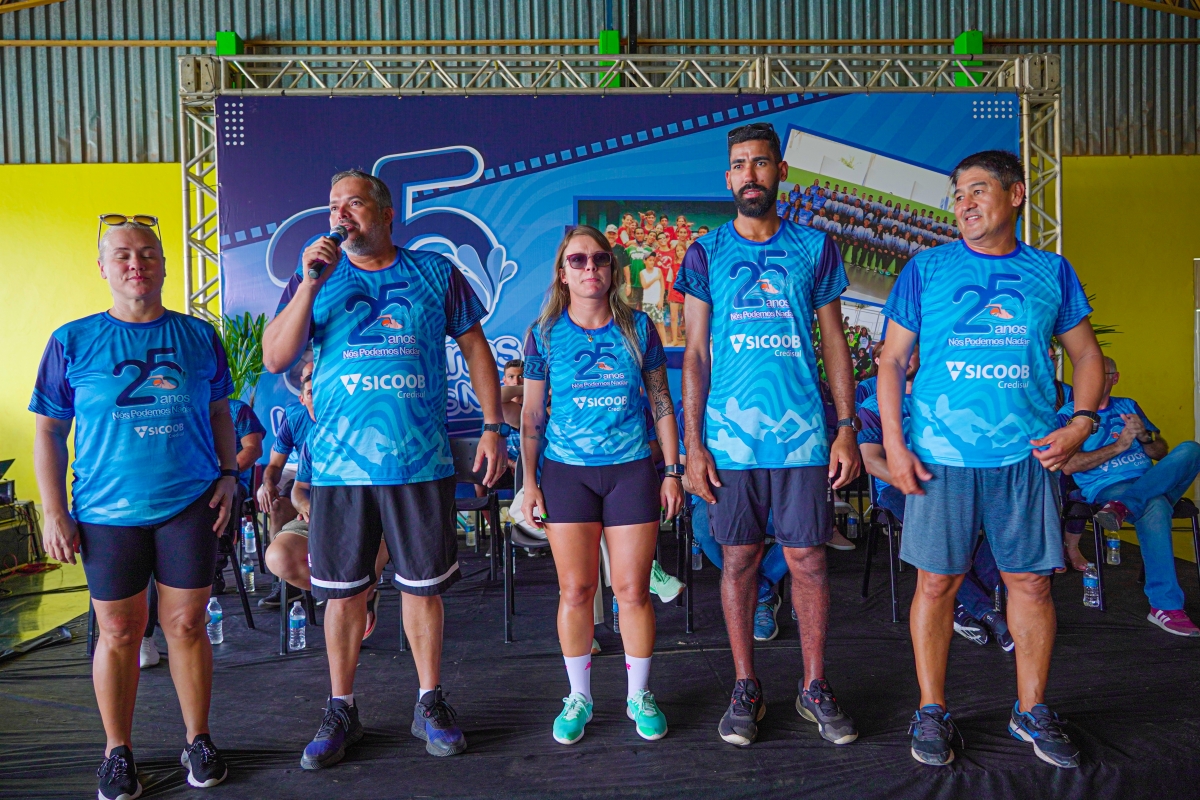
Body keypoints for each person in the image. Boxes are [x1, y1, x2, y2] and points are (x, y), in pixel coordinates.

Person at [262, 170, 507, 767]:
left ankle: (429, 702)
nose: (341, 215)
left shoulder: (434, 271)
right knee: (344, 595)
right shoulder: (313, 274)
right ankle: (341, 707)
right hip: (339, 469)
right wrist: (309, 285)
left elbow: (476, 346)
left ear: (386, 211)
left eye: (354, 203)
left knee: (422, 588)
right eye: (333, 206)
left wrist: (494, 426)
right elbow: (275, 356)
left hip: (418, 462)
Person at [876, 149, 1104, 769]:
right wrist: (895, 444)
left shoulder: (1051, 272)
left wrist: (1082, 422)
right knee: (937, 583)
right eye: (958, 194)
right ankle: (931, 709)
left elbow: (1087, 355)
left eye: (978, 189)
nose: (965, 203)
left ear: (1016, 194)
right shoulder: (926, 269)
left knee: (1030, 583)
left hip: (1026, 458)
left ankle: (1031, 709)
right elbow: (892, 361)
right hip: (941, 458)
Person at [32, 217, 237, 797]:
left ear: (165, 265)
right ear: (103, 267)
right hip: (105, 512)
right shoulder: (72, 340)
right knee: (119, 630)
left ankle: (198, 739)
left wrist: (230, 476)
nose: (135, 264)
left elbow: (220, 414)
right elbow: (49, 431)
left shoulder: (199, 336)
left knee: (187, 624)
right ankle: (117, 752)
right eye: (122, 255)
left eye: (147, 253)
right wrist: (53, 511)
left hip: (189, 502)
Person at [676, 122, 862, 749]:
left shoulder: (815, 246)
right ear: (727, 177)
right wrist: (694, 445)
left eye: (760, 163)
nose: (749, 174)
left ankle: (814, 685)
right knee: (738, 560)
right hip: (731, 442)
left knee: (809, 559)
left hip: (803, 438)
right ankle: (745, 685)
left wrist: (845, 427)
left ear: (780, 172)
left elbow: (834, 342)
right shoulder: (705, 253)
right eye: (739, 164)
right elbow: (695, 353)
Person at [519, 225, 684, 745]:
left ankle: (639, 695)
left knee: (633, 591)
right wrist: (529, 483)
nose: (590, 267)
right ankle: (579, 697)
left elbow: (662, 402)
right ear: (562, 273)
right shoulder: (544, 333)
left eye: (600, 258)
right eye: (578, 260)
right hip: (566, 474)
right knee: (576, 590)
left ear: (612, 268)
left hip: (631, 471)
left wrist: (673, 470)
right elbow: (531, 415)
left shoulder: (639, 327)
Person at [855, 346, 1014, 650]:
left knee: (1005, 524)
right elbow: (872, 462)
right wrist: (914, 483)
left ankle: (960, 608)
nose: (906, 357)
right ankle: (987, 613)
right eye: (899, 352)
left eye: (912, 351)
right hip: (898, 489)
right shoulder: (874, 405)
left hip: (952, 483)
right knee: (938, 536)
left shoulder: (944, 398)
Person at [1060, 357, 1200, 636]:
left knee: (1191, 449)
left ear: (1115, 378)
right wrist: (1120, 445)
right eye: (1087, 374)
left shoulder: (1128, 405)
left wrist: (1145, 436)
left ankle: (1125, 506)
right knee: (1156, 506)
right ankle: (1165, 606)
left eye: (1101, 374)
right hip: (1108, 487)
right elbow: (1069, 465)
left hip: (1149, 481)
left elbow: (1160, 452)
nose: (1091, 379)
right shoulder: (1068, 415)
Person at [256, 361, 315, 609]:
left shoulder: (345, 418)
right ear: (302, 398)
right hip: (307, 484)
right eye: (310, 392)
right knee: (277, 504)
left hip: (342, 490)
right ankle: (286, 583)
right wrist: (268, 484)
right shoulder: (295, 419)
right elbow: (274, 465)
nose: (316, 398)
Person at [639, 249, 668, 344]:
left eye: (653, 260)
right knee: (648, 324)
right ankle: (650, 344)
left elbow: (662, 286)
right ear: (645, 261)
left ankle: (665, 344)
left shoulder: (658, 270)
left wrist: (661, 300)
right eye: (649, 260)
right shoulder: (642, 272)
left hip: (657, 301)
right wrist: (655, 279)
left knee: (660, 323)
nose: (652, 262)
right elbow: (644, 286)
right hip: (647, 301)